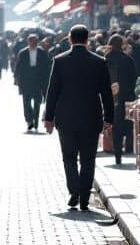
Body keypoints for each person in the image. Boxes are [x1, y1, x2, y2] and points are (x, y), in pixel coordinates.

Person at [43, 24, 114, 210]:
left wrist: (48, 117)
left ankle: (74, 191)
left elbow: (52, 92)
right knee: (88, 159)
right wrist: (109, 118)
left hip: (66, 118)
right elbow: (106, 93)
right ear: (87, 39)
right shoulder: (99, 62)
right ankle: (84, 197)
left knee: (69, 157)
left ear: (70, 39)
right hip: (92, 118)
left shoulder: (59, 61)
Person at [105, 34, 138, 165]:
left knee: (115, 126)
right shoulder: (128, 59)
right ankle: (127, 148)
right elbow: (134, 78)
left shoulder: (105, 59)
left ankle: (117, 153)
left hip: (111, 99)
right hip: (126, 98)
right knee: (126, 124)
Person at [12, 33, 50, 131]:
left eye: (35, 42)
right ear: (28, 42)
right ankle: (29, 121)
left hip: (38, 81)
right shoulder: (23, 53)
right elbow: (18, 66)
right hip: (26, 81)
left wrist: (46, 80)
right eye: (32, 42)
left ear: (37, 42)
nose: (33, 43)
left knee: (37, 102)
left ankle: (36, 121)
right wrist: (16, 77)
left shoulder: (42, 52)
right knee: (26, 103)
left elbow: (46, 67)